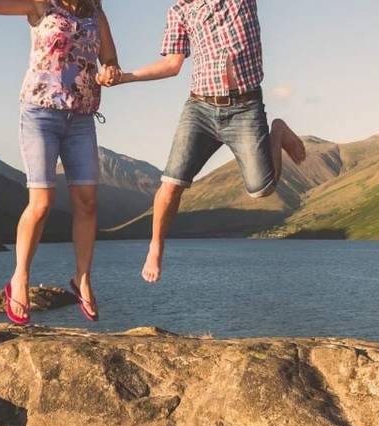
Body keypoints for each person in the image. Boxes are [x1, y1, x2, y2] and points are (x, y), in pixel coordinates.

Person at [101, 0, 306, 282]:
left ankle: (278, 130)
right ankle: (156, 247)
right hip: (200, 109)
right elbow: (172, 65)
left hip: (245, 109)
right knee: (171, 184)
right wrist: (123, 78)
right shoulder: (180, 10)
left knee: (262, 189)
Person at [0, 0, 122, 322]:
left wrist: (109, 70)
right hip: (40, 114)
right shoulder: (41, 5)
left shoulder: (95, 12)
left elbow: (108, 57)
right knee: (41, 203)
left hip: (81, 118)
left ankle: (82, 279)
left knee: (88, 202)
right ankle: (20, 278)